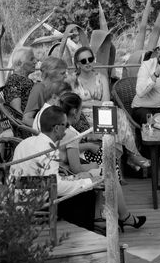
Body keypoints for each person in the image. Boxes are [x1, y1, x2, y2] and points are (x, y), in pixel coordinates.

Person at [57, 92, 146, 231]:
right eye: (80, 110)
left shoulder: (58, 127)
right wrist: (91, 166)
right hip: (64, 175)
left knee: (104, 169)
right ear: (75, 111)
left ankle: (104, 216)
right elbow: (75, 169)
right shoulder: (70, 133)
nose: (81, 114)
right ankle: (124, 216)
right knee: (109, 173)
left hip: (59, 170)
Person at [11, 106, 97, 231]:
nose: (67, 129)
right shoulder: (49, 148)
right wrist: (87, 183)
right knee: (87, 194)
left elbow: (44, 179)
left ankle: (76, 232)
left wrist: (72, 179)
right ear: (57, 128)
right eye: (66, 125)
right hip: (38, 202)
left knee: (80, 189)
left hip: (20, 199)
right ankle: (83, 234)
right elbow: (57, 187)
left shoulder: (24, 143)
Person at [71, 46, 150, 172]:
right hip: (83, 118)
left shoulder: (101, 77)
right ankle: (132, 154)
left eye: (90, 59)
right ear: (77, 64)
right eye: (83, 61)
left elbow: (106, 102)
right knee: (116, 116)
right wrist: (93, 103)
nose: (88, 63)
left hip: (102, 113)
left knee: (117, 113)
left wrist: (86, 102)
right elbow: (73, 104)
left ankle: (125, 158)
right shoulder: (72, 81)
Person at [23, 56, 68, 126]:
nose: (66, 76)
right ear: (51, 74)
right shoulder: (38, 89)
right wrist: (46, 130)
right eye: (62, 73)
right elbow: (26, 119)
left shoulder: (56, 88)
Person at [2, 46, 36, 114]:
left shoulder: (26, 80)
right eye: (31, 59)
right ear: (20, 63)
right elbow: (16, 110)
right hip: (28, 121)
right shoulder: (14, 81)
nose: (35, 62)